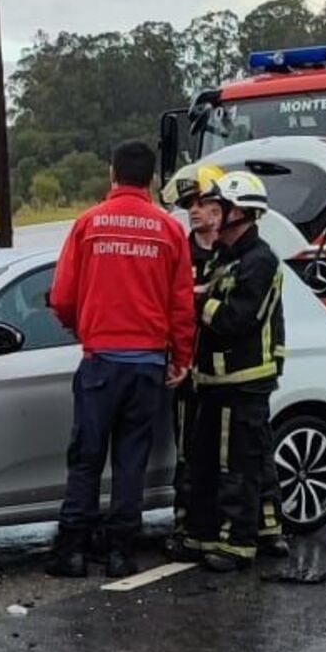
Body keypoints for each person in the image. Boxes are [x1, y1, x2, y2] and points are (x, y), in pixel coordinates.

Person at [47, 141, 196, 578]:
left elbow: (62, 297)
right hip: (148, 365)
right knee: (132, 461)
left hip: (100, 363)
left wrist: (83, 328)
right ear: (151, 179)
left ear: (112, 174)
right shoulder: (168, 230)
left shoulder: (88, 224)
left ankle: (72, 551)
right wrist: (180, 357)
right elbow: (181, 306)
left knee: (87, 458)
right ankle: (120, 553)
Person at [184, 170, 286, 573]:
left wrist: (195, 304)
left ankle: (238, 544)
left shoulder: (260, 261)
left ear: (237, 211)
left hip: (244, 382)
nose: (209, 213)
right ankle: (214, 534)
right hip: (213, 382)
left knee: (238, 467)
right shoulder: (225, 258)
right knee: (211, 462)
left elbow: (236, 320)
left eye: (217, 206)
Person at [158, 163, 225, 562]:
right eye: (189, 205)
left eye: (202, 203)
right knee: (188, 454)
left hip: (228, 374)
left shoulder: (234, 252)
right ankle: (187, 527)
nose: (195, 211)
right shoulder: (179, 249)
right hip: (187, 372)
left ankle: (227, 527)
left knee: (227, 456)